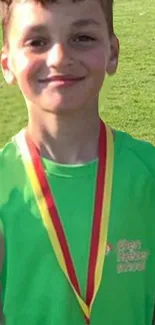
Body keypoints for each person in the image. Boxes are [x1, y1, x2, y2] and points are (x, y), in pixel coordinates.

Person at [0, 0, 155, 324]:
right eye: (37, 42)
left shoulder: (148, 172)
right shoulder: (4, 185)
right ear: (7, 63)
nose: (59, 58)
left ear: (112, 52)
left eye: (82, 38)